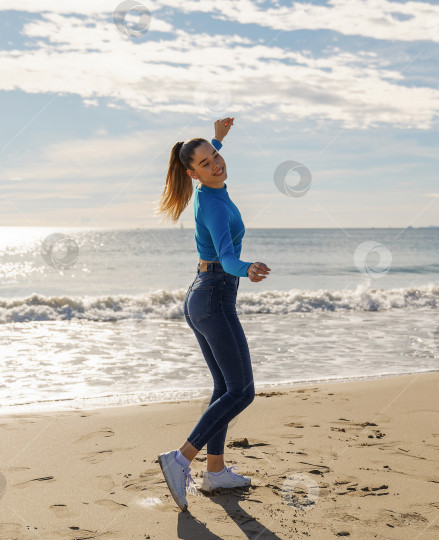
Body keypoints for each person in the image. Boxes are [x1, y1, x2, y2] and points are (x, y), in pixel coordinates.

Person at [154, 117, 271, 511]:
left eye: (216, 156)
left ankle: (216, 471)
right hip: (215, 295)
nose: (216, 163)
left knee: (224, 388)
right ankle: (181, 458)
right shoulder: (216, 205)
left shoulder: (209, 190)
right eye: (206, 162)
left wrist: (218, 138)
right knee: (242, 391)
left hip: (202, 297)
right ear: (192, 173)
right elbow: (226, 257)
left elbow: (208, 156)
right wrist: (248, 267)